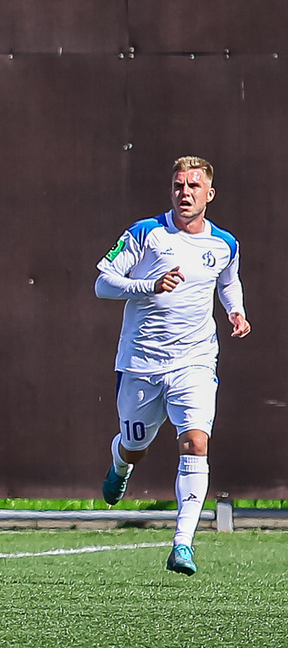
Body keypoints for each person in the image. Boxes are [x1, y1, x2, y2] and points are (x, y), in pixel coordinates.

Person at [97, 156, 247, 576]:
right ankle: (119, 463)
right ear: (172, 191)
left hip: (195, 361)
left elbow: (228, 279)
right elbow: (103, 281)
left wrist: (235, 310)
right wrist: (148, 285)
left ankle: (183, 544)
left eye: (194, 186)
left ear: (209, 194)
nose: (186, 193)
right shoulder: (146, 234)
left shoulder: (224, 244)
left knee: (196, 443)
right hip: (142, 364)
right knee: (135, 448)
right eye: (179, 186)